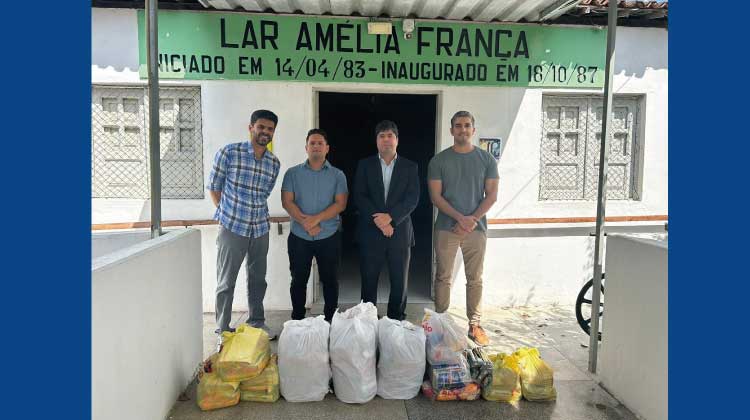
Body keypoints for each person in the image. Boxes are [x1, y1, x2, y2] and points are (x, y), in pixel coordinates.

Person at [208, 109, 281, 344]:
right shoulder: (230, 153)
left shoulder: (273, 163)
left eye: (269, 129)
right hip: (233, 228)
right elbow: (214, 187)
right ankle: (223, 330)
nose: (265, 132)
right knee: (226, 280)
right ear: (251, 127)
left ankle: (257, 323)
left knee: (258, 279)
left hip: (259, 228)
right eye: (261, 127)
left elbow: (265, 193)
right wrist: (226, 214)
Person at [427, 111, 499, 346]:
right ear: (451, 130)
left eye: (467, 125)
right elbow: (435, 197)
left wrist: (471, 219)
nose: (462, 130)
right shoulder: (439, 161)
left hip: (476, 230)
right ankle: (441, 321)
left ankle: (474, 325)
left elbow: (492, 196)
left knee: (475, 278)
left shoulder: (487, 160)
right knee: (443, 276)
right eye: (458, 126)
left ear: (473, 130)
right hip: (447, 228)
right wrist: (460, 218)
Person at [354, 120, 419, 320]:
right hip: (371, 232)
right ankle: (368, 320)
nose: (386, 140)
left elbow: (412, 198)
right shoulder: (365, 165)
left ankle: (396, 320)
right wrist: (381, 222)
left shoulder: (410, 166)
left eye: (390, 136)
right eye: (381, 136)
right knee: (369, 280)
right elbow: (359, 195)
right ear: (376, 141)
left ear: (397, 140)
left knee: (399, 282)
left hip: (399, 232)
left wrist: (391, 219)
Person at [281, 129, 348, 322]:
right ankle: (298, 321)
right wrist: (306, 223)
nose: (316, 146)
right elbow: (287, 201)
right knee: (298, 280)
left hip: (329, 235)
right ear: (306, 147)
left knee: (330, 281)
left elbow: (340, 204)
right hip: (299, 236)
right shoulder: (292, 173)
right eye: (312, 143)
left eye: (320, 143)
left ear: (327, 148)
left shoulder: (338, 175)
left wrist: (315, 220)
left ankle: (330, 320)